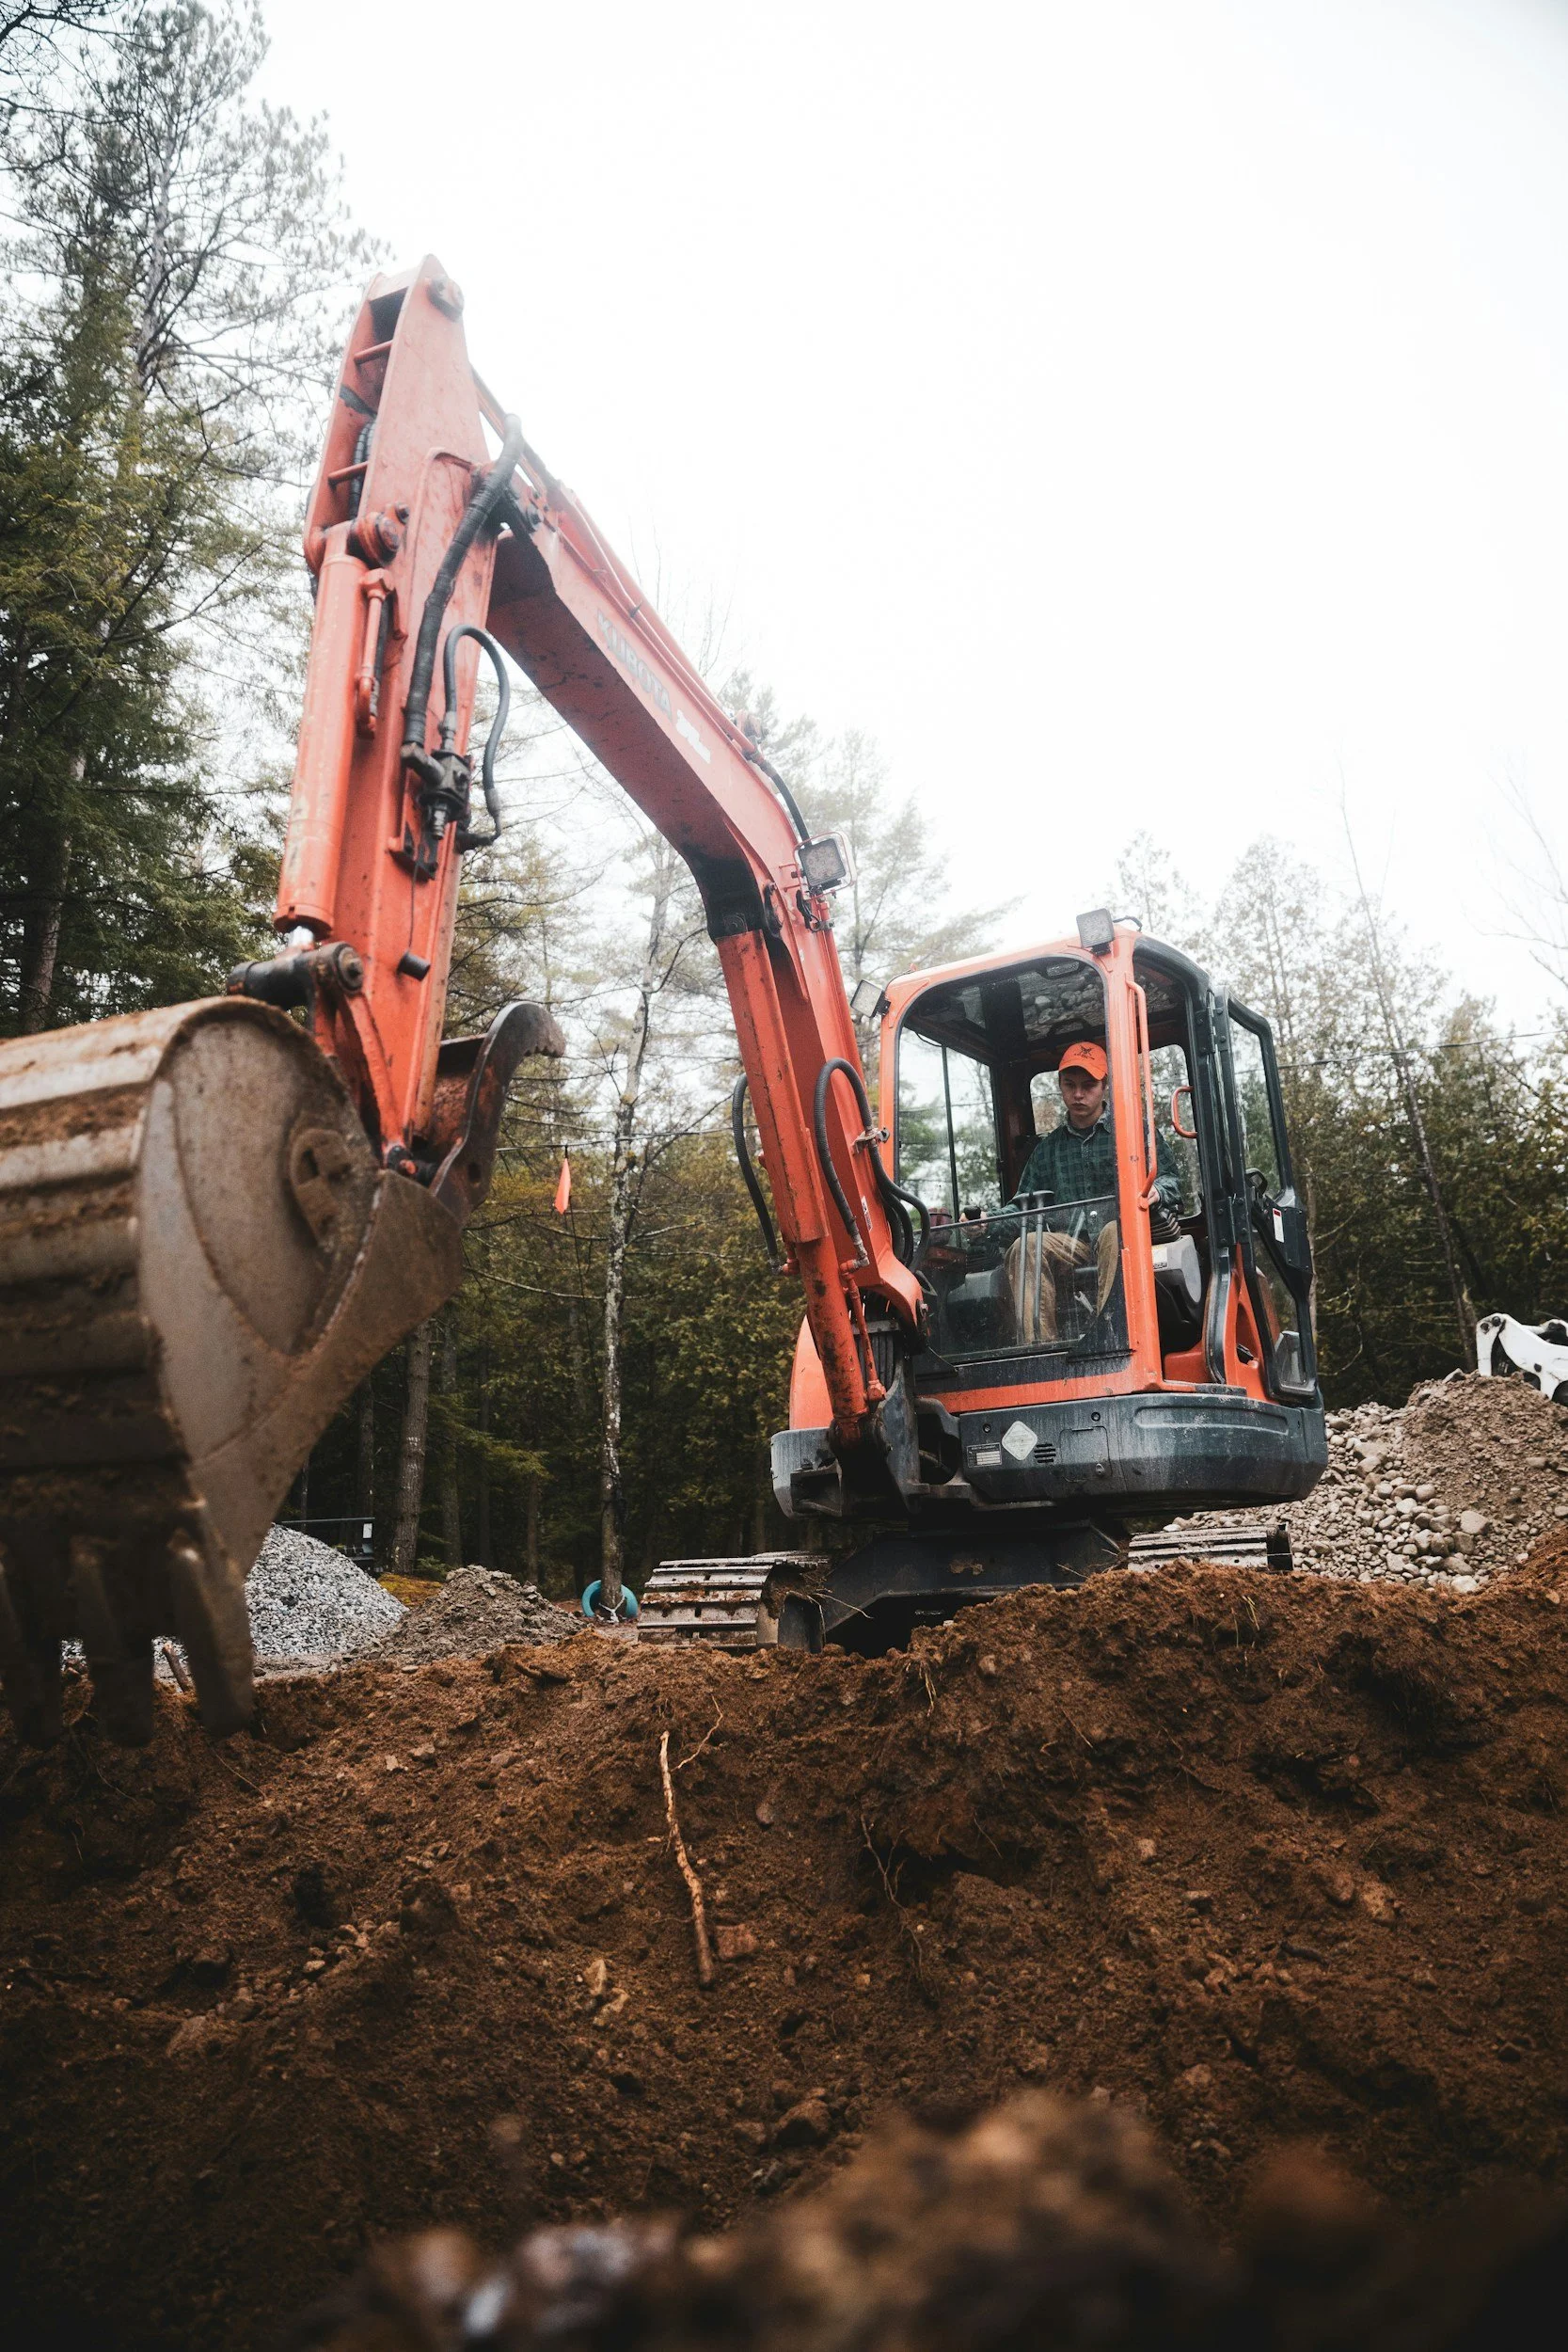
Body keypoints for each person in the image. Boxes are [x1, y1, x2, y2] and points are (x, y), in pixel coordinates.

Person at [1005, 1041, 1181, 1343]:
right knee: (1026, 1246)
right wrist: (985, 1222)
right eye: (1069, 1085)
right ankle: (1040, 1352)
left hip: (1122, 1240)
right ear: (1060, 1086)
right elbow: (1022, 1207)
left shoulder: (1134, 1132)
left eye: (1088, 1085)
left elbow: (1170, 1181)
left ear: (1105, 1086)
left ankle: (1109, 1340)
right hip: (1072, 1246)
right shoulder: (1047, 1151)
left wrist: (1158, 1192)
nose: (1078, 1094)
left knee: (1115, 1231)